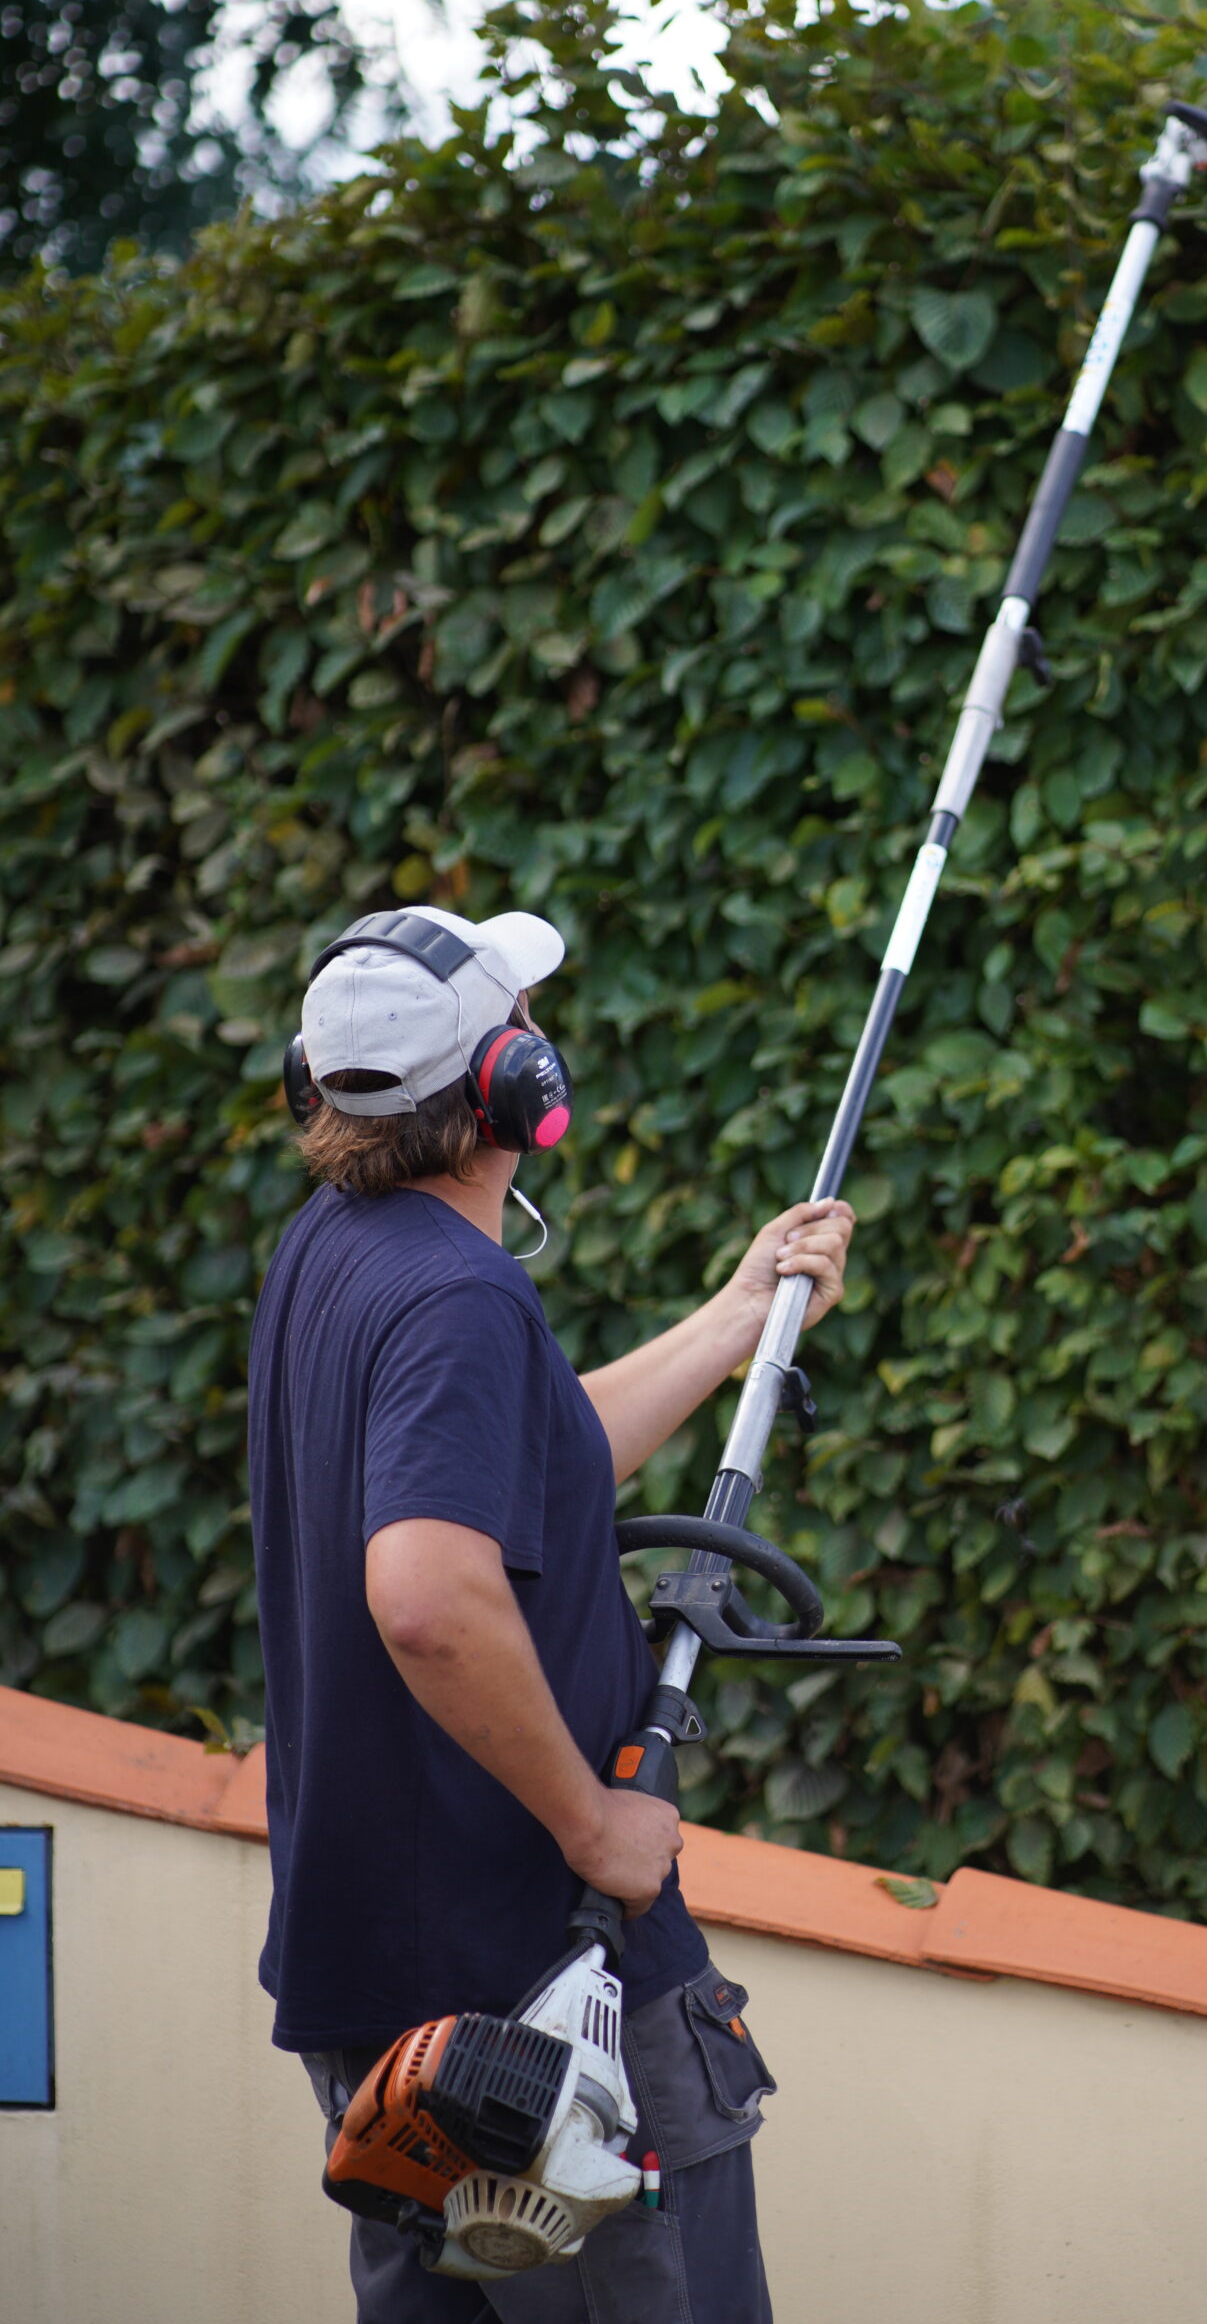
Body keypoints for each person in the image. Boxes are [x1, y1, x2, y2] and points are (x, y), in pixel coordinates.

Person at [247, 900, 856, 2324]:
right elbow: (426, 1595)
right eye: (522, 1025)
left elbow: (516, 1463)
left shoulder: (333, 1253)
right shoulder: (459, 1296)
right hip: (542, 1990)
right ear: (515, 1091)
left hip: (385, 2004)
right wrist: (594, 1823)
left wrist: (736, 1314)